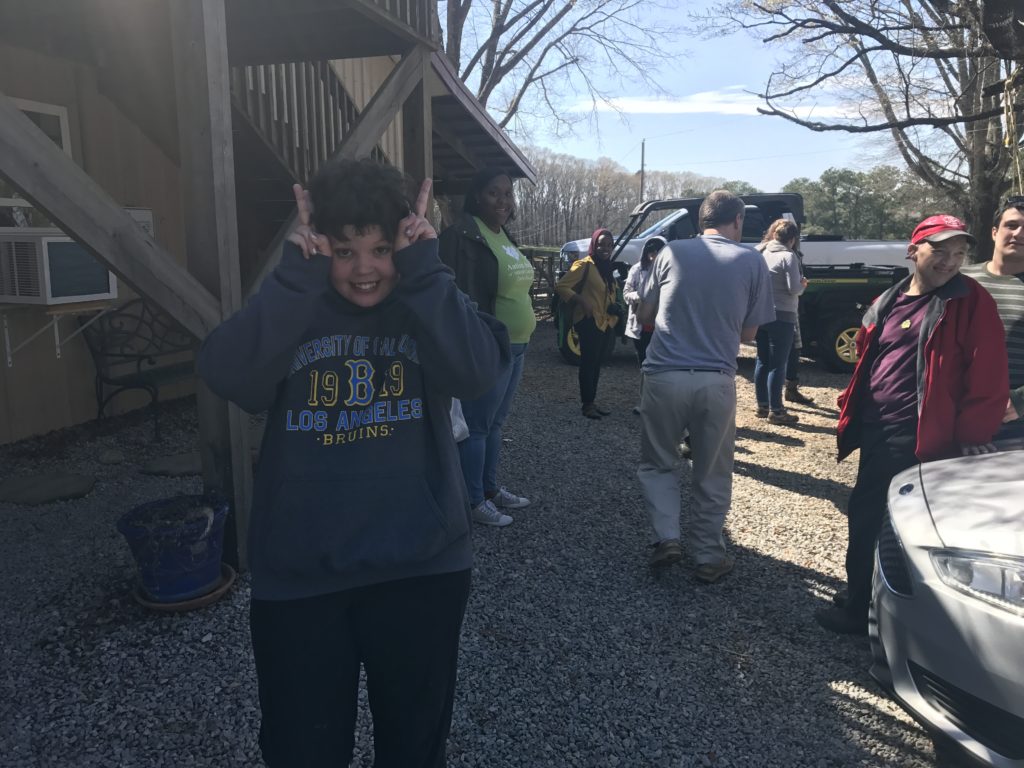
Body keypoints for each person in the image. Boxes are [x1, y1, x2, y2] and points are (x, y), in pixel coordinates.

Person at [197, 158, 509, 767]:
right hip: (302, 577)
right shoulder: (294, 309)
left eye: (381, 248)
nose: (364, 269)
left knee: (414, 746)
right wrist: (293, 280)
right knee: (300, 748)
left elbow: (477, 372)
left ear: (404, 244)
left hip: (422, 571)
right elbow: (226, 372)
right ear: (322, 250)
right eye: (344, 251)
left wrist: (425, 271)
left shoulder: (427, 302)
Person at [815, 214, 1007, 636]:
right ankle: (860, 604)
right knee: (866, 517)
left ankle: (903, 625)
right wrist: (850, 406)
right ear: (913, 249)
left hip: (925, 439)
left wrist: (974, 434)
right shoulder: (890, 299)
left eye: (958, 253)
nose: (950, 261)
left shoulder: (970, 301)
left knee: (910, 531)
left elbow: (989, 373)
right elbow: (869, 360)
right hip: (878, 433)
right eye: (940, 250)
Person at [635, 191, 775, 580]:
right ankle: (709, 556)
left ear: (701, 220)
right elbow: (749, 334)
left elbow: (646, 313)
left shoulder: (669, 252)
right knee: (712, 469)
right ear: (739, 221)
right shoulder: (752, 260)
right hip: (716, 379)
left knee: (658, 462)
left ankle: (668, 538)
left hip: (663, 375)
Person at [439, 167, 535, 527]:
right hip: (487, 345)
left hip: (518, 345)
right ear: (477, 195)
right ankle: (473, 500)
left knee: (496, 422)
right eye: (494, 193)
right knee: (477, 425)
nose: (503, 201)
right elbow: (449, 291)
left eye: (508, 194)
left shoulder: (503, 236)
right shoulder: (461, 236)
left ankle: (490, 489)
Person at [960, 195, 1024, 438]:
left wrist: (1019, 401)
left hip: (1017, 430)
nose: (1019, 233)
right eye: (1012, 225)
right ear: (994, 232)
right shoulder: (959, 280)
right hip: (958, 420)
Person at [555, 228, 622, 419]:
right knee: (588, 363)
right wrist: (581, 301)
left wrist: (614, 306)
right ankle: (587, 404)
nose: (605, 248)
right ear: (594, 244)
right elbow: (561, 286)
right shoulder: (584, 265)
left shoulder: (607, 268)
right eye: (601, 244)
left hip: (604, 322)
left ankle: (592, 400)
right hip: (588, 320)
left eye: (609, 245)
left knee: (597, 363)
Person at [753, 219, 806, 424]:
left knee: (762, 360)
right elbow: (794, 288)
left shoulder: (762, 253)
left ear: (774, 234)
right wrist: (803, 285)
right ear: (792, 239)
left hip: (761, 313)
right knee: (778, 364)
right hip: (783, 315)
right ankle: (777, 411)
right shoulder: (788, 256)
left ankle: (762, 406)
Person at [623, 236, 665, 414]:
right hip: (641, 327)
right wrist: (639, 296)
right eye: (651, 253)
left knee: (662, 368)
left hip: (661, 328)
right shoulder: (636, 270)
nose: (653, 257)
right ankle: (644, 403)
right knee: (645, 367)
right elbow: (626, 293)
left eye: (658, 253)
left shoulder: (669, 270)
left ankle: (661, 403)